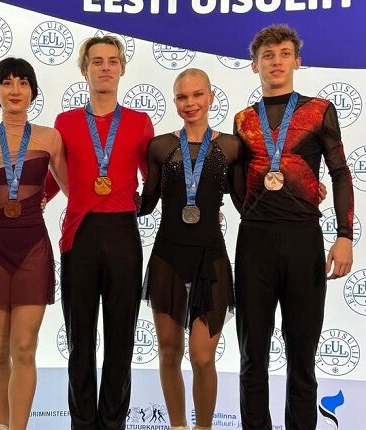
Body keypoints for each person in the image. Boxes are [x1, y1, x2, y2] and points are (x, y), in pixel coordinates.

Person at [233, 24, 353, 430]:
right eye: (268, 55)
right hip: (254, 243)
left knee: (302, 356)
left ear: (297, 61)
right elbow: (238, 183)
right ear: (255, 65)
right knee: (252, 356)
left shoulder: (319, 110)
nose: (277, 62)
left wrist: (344, 236)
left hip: (303, 240)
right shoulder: (243, 120)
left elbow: (340, 172)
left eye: (285, 54)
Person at [50, 35, 154, 429]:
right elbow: (52, 178)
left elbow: (153, 179)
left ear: (122, 69)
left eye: (113, 61)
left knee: (120, 339)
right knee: (80, 341)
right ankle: (82, 422)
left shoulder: (139, 122)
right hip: (79, 235)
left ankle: (113, 422)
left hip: (123, 233)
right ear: (84, 70)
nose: (105, 67)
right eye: (97, 61)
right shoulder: (65, 123)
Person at [138, 69, 242, 430]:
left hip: (211, 259)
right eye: (182, 97)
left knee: (202, 357)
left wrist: (296, 193)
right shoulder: (160, 146)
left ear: (211, 97)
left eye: (197, 95)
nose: (190, 103)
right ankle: (178, 425)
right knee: (169, 352)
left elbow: (246, 203)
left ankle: (204, 427)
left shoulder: (231, 147)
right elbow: (146, 203)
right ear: (174, 101)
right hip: (167, 257)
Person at [0, 57, 68, 430]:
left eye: (23, 82)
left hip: (33, 249)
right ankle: (1, 424)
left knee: (24, 349)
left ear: (32, 91)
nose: (15, 90)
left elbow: (74, 189)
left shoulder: (50, 137)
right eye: (7, 82)